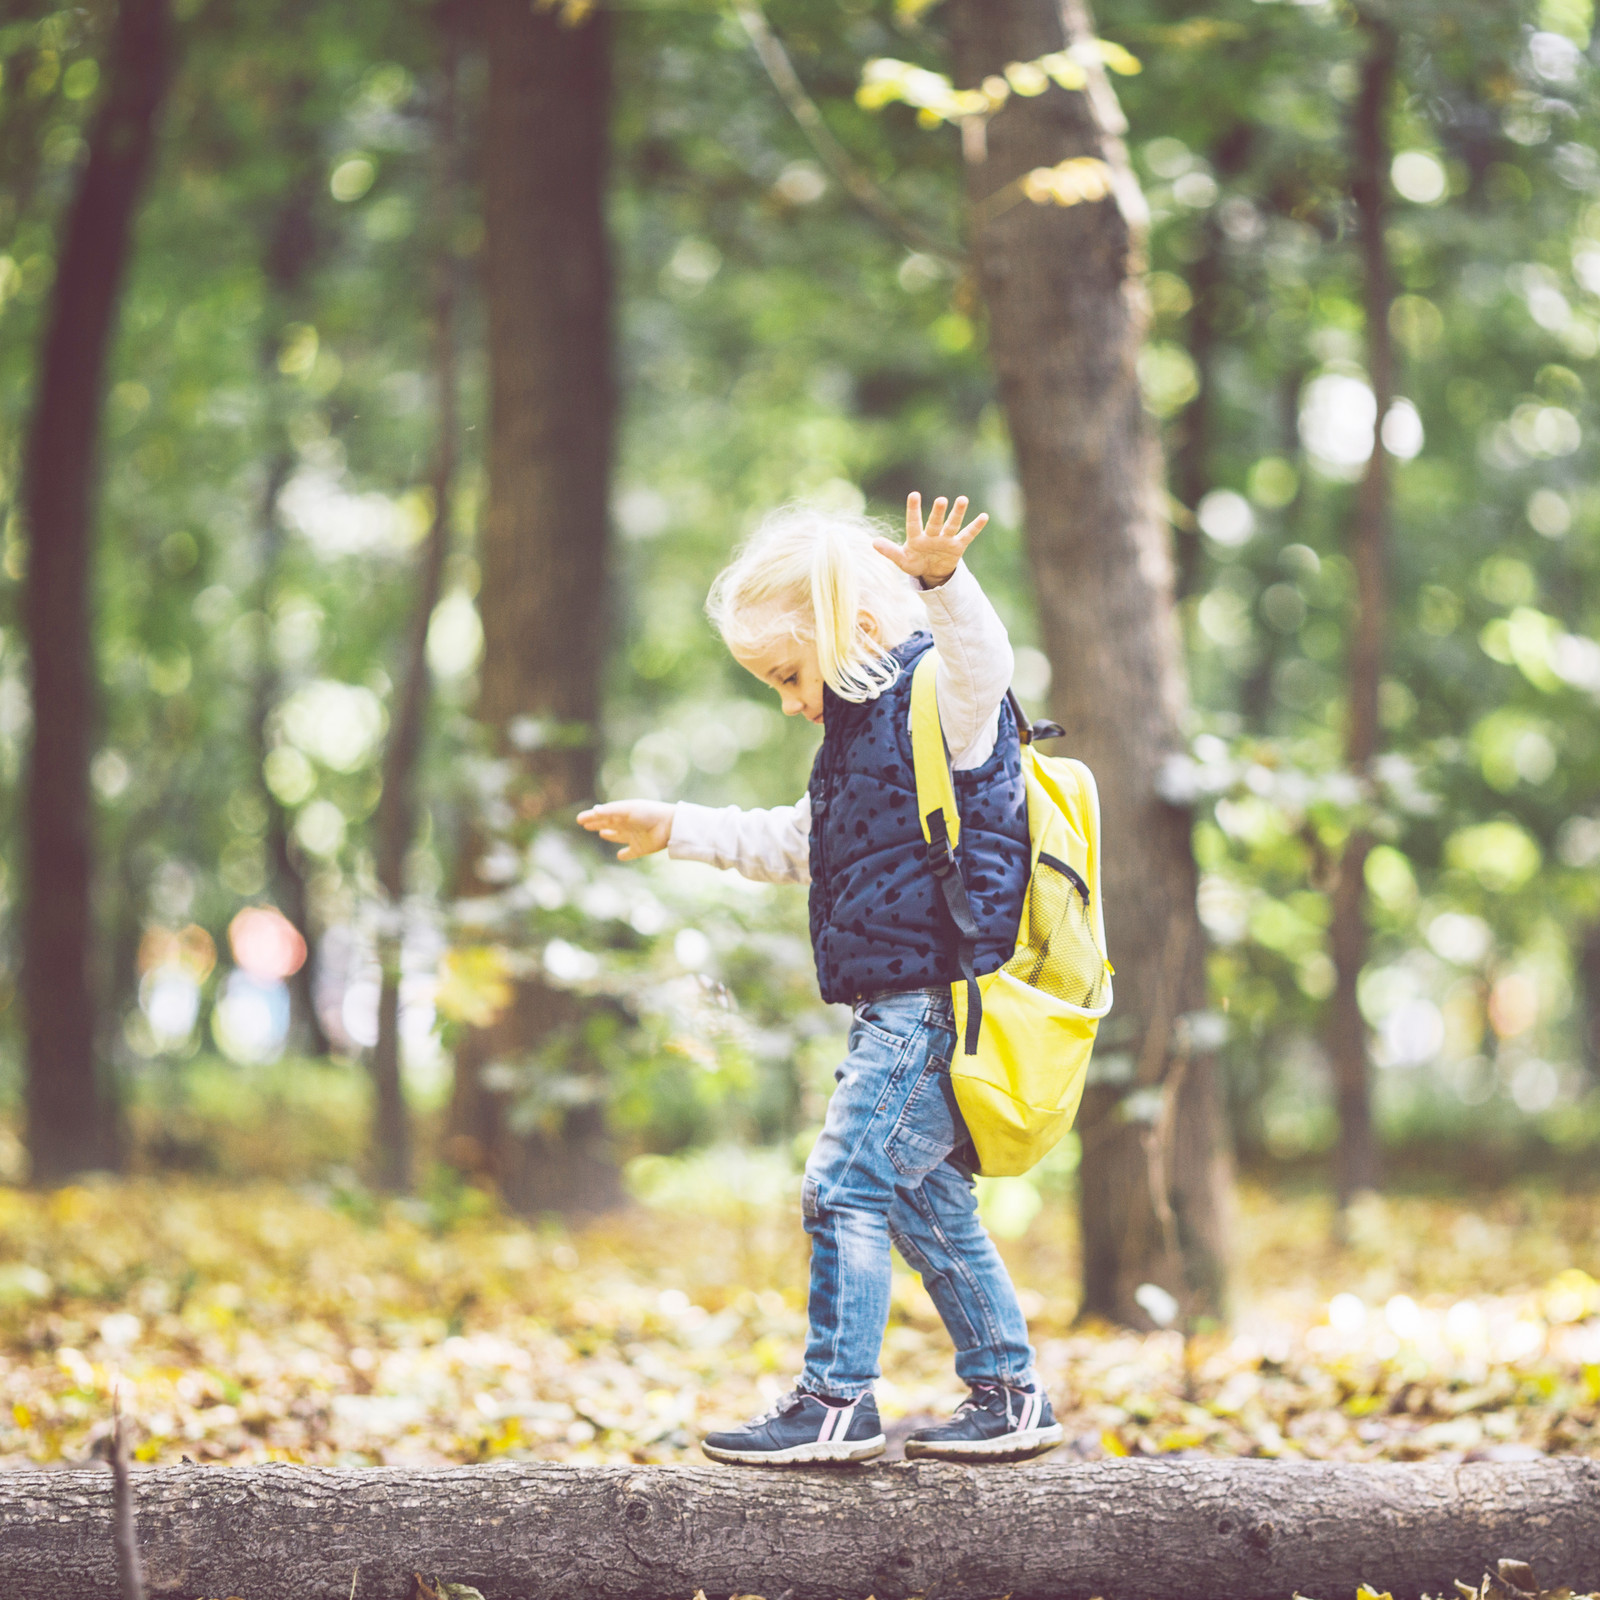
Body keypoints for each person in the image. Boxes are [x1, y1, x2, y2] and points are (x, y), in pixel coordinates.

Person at [578, 491, 1062, 1466]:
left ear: (856, 627)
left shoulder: (943, 703)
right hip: (899, 1002)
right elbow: (796, 843)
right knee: (922, 1200)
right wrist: (676, 826)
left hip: (931, 1002)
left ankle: (836, 1399)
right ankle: (1011, 1394)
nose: (790, 700)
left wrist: (941, 580)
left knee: (842, 1183)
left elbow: (987, 661)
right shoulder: (855, 747)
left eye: (788, 673)